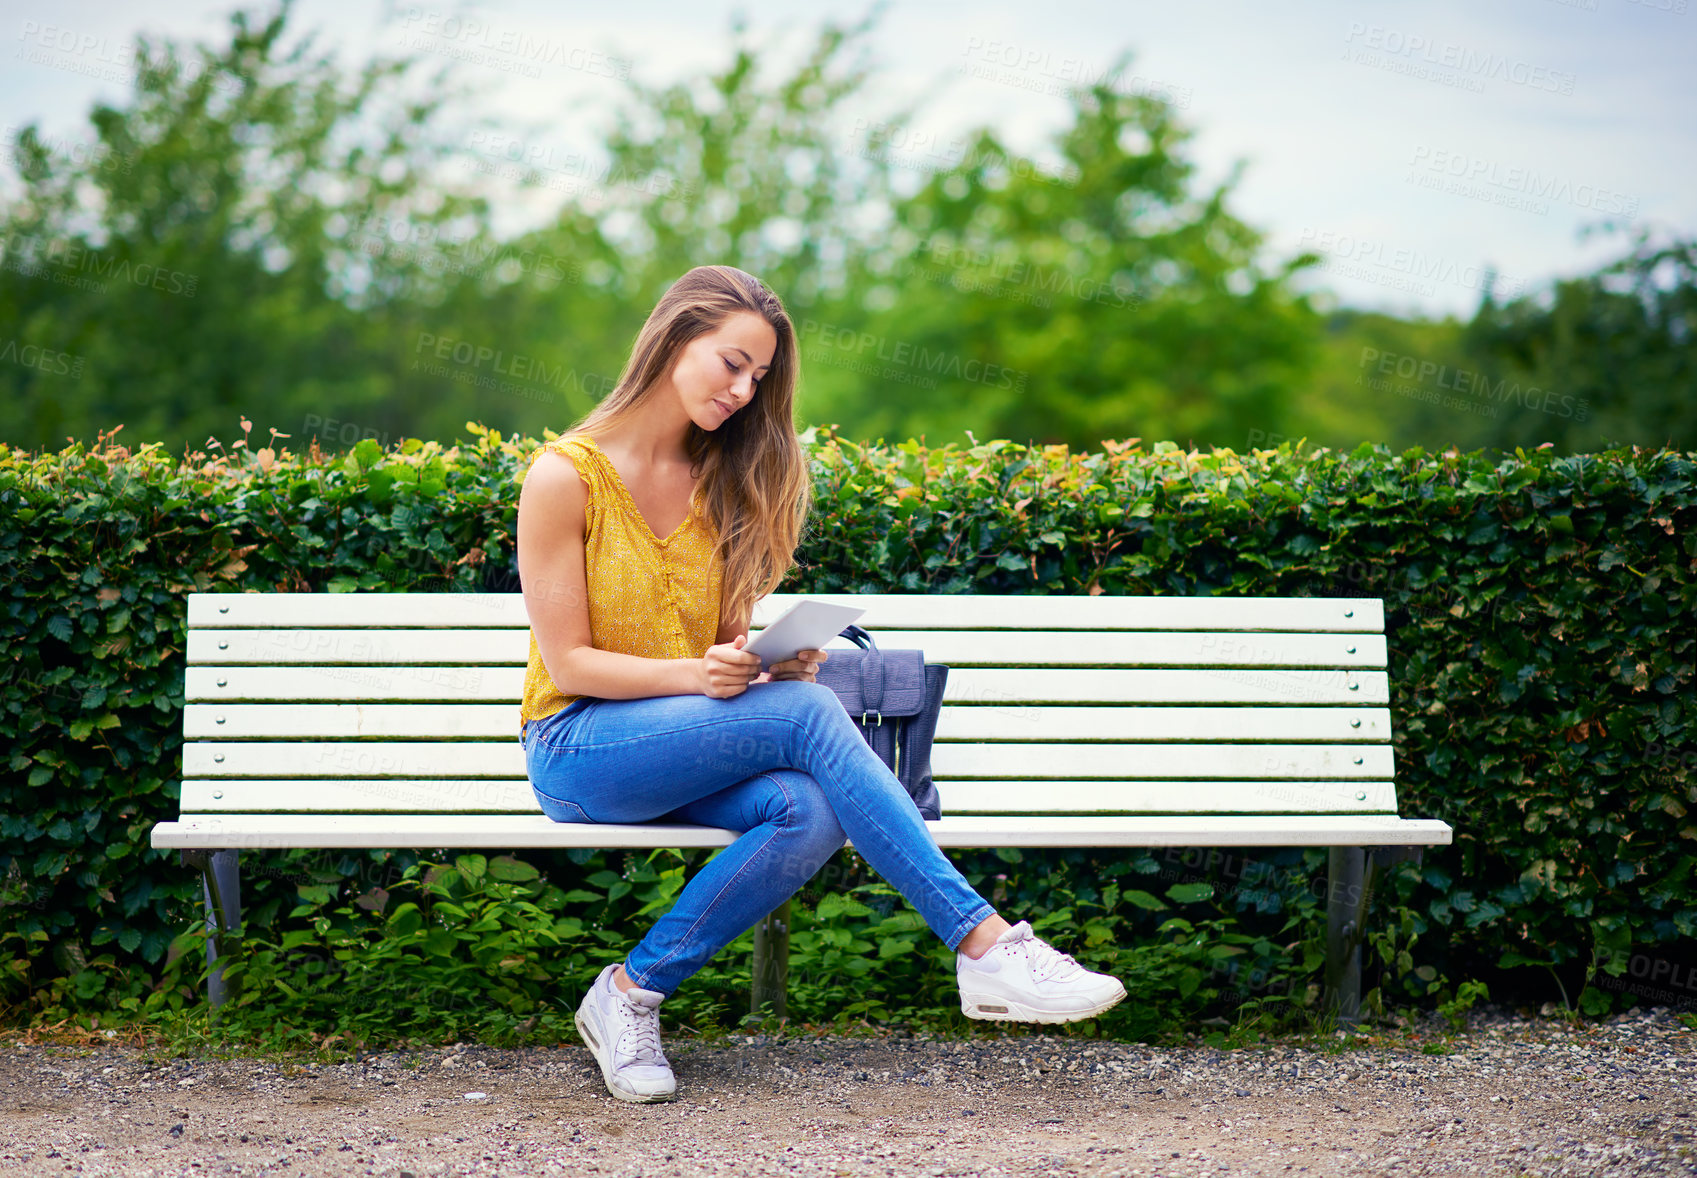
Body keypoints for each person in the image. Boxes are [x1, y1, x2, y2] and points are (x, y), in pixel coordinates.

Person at [515, 264, 1126, 1103]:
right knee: (805, 715)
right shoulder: (563, 476)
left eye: (759, 378)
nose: (742, 390)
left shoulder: (720, 483)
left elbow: (718, 651)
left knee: (809, 807)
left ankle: (629, 995)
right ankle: (982, 942)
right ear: (674, 336)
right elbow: (573, 662)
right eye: (732, 362)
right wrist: (705, 675)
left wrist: (765, 660)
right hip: (580, 749)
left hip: (686, 744)